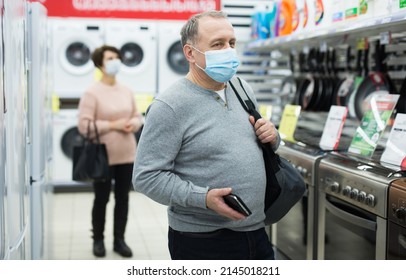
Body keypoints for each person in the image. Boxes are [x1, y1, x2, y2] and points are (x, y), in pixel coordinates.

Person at [132, 10, 280, 260]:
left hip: (256, 230)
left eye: (231, 43)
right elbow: (146, 177)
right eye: (217, 44)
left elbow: (256, 144)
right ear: (190, 53)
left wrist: (272, 137)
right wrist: (204, 198)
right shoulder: (169, 106)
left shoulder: (241, 88)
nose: (229, 51)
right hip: (202, 239)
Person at [77, 45, 143, 258]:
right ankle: (98, 239)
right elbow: (84, 125)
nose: (115, 61)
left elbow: (137, 116)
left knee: (123, 199)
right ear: (99, 63)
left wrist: (132, 124)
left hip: (127, 154)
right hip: (102, 156)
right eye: (110, 58)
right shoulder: (91, 92)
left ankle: (119, 240)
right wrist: (113, 125)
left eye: (117, 57)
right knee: (101, 199)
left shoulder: (126, 90)